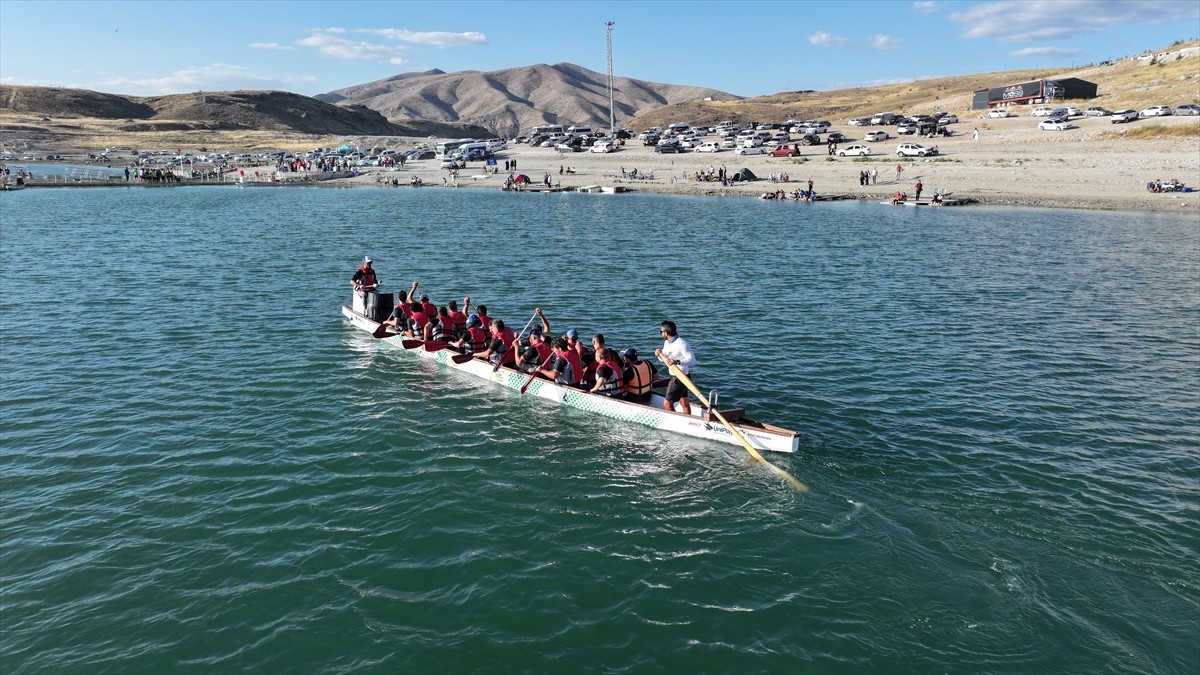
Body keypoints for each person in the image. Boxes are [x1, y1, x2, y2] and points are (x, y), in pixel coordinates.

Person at [653, 320, 696, 414]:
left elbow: (692, 361)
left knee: (667, 403)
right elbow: (665, 359)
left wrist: (677, 361)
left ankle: (678, 421)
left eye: (661, 332)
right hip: (675, 376)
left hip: (680, 377)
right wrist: (659, 354)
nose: (661, 334)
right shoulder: (667, 343)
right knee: (683, 402)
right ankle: (688, 421)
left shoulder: (682, 344)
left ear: (666, 333)